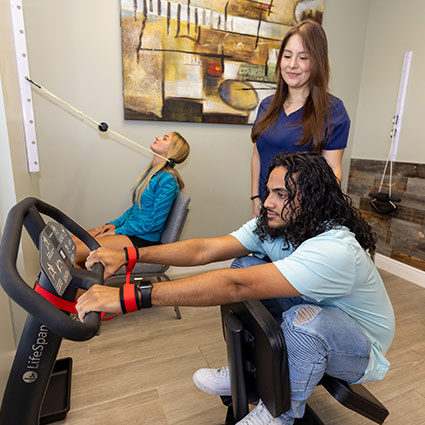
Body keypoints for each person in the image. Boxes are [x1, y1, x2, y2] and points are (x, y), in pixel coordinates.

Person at [77, 152, 395, 425]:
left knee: (305, 320)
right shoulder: (276, 226)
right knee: (245, 265)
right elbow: (204, 250)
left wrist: (130, 295)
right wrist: (131, 255)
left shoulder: (335, 248)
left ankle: (280, 414)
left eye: (282, 195)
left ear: (313, 201)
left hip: (359, 345)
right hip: (313, 309)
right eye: (268, 191)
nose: (267, 202)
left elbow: (235, 288)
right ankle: (246, 371)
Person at [251, 19, 350, 217]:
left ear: (317, 62)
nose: (292, 65)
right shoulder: (266, 106)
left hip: (304, 215)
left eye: (303, 58)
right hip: (266, 208)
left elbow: (333, 170)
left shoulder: (333, 111)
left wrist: (311, 210)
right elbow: (257, 156)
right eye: (287, 56)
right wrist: (255, 198)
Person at [73, 132, 190, 267]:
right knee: (69, 243)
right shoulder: (152, 173)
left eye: (165, 138)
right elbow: (136, 208)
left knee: (74, 252)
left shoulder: (167, 181)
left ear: (172, 150)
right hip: (129, 230)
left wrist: (117, 232)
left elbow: (154, 223)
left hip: (141, 239)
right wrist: (114, 224)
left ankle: (86, 286)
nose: (157, 137)